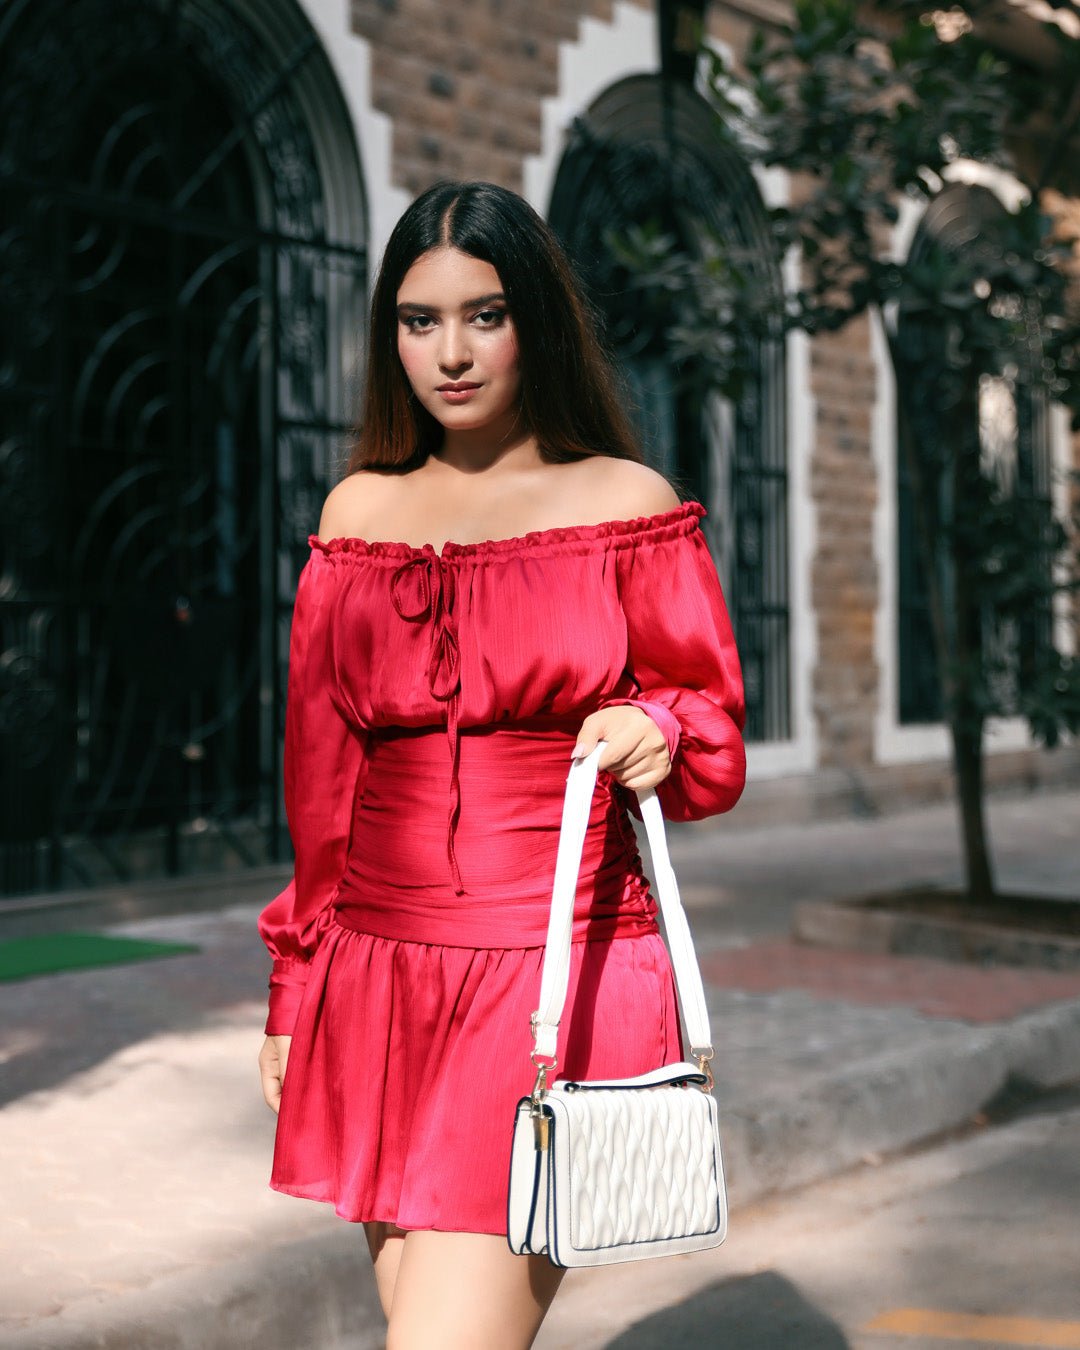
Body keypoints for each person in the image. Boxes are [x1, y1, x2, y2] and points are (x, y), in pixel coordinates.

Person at [256, 179, 746, 1349]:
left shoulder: (626, 505)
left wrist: (659, 728)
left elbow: (715, 736)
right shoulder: (359, 514)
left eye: (486, 315)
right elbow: (319, 787)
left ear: (539, 320)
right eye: (419, 322)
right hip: (375, 978)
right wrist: (291, 986)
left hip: (554, 978)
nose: (453, 353)